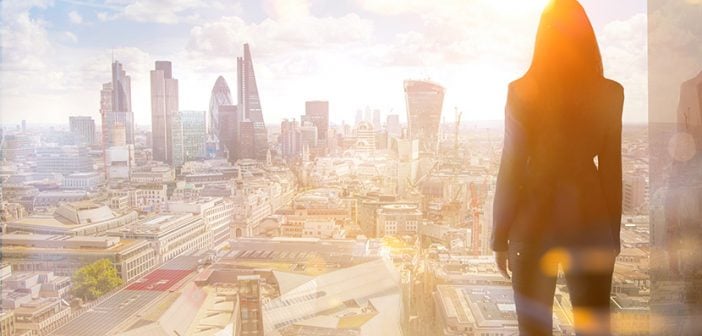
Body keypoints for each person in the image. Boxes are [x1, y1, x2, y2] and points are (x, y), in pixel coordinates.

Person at [491, 0, 624, 335]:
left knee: (534, 331)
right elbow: (611, 170)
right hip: (591, 223)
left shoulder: (520, 91)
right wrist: (613, 236)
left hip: (532, 223)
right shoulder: (610, 93)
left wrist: (499, 238)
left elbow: (511, 167)